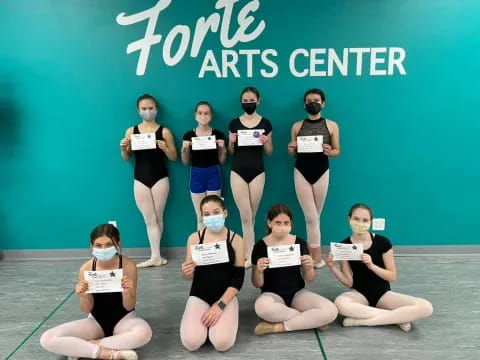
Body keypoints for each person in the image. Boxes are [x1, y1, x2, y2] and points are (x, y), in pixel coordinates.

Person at [40, 224, 152, 360]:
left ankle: (84, 347)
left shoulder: (128, 265)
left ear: (118, 244)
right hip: (95, 321)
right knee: (48, 338)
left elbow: (129, 306)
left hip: (124, 319)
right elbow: (86, 309)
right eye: (98, 245)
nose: (103, 249)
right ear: (91, 245)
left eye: (109, 244)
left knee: (144, 333)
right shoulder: (86, 268)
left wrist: (127, 292)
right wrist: (83, 296)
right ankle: (110, 354)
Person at [327, 204, 433, 331]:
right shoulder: (344, 246)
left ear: (370, 222)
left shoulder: (383, 242)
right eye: (356, 219)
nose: (360, 223)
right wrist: (333, 267)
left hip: (383, 293)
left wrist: (372, 266)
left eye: (365, 220)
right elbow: (349, 282)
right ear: (349, 219)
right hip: (359, 294)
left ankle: (361, 322)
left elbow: (392, 276)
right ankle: (398, 318)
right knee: (340, 304)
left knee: (425, 307)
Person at [251, 204, 338, 336]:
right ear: (269, 223)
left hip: (298, 293)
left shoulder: (299, 242)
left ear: (291, 223)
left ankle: (279, 327)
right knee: (262, 308)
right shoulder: (260, 246)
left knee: (331, 310)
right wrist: (258, 270)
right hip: (271, 294)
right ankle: (310, 320)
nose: (282, 226)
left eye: (286, 223)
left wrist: (309, 267)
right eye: (278, 223)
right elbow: (258, 284)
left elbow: (309, 278)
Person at [180, 195, 245, 352]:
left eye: (216, 212)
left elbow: (238, 279)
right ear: (201, 217)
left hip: (226, 297)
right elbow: (188, 277)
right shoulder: (194, 238)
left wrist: (220, 305)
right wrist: (186, 271)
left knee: (222, 344)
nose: (212, 217)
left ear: (225, 213)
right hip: (199, 295)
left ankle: (217, 326)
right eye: (207, 214)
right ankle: (204, 329)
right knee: (191, 343)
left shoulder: (236, 240)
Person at [119, 94, 177, 268]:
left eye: (151, 108)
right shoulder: (131, 131)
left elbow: (174, 157)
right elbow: (126, 157)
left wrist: (165, 148)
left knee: (158, 217)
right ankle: (156, 256)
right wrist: (124, 148)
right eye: (144, 108)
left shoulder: (164, 131)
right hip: (140, 178)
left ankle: (156, 256)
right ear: (138, 110)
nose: (148, 111)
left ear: (156, 109)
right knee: (149, 218)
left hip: (160, 178)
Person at [288, 88, 340, 268]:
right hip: (301, 171)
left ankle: (311, 255)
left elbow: (336, 151)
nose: (312, 103)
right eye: (309, 101)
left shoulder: (332, 125)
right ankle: (316, 258)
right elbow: (293, 153)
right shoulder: (296, 126)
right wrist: (291, 149)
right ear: (304, 104)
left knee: (316, 216)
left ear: (323, 103)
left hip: (322, 171)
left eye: (316, 100)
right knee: (311, 217)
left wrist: (329, 151)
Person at [228, 87, 273, 268]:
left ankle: (249, 250)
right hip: (238, 172)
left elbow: (269, 152)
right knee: (245, 216)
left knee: (251, 216)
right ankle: (250, 255)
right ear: (241, 102)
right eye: (245, 101)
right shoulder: (234, 123)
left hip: (258, 172)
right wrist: (231, 142)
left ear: (258, 100)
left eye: (251, 100)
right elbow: (232, 152)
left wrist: (266, 141)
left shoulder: (266, 123)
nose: (248, 103)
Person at [181, 101, 227, 230]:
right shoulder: (188, 135)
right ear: (195, 115)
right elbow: (185, 162)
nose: (203, 116)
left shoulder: (218, 135)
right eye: (200, 113)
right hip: (196, 176)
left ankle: (218, 247)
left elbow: (222, 161)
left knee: (215, 217)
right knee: (200, 217)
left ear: (211, 115)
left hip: (213, 175)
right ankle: (202, 247)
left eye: (206, 113)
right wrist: (184, 150)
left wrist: (223, 149)